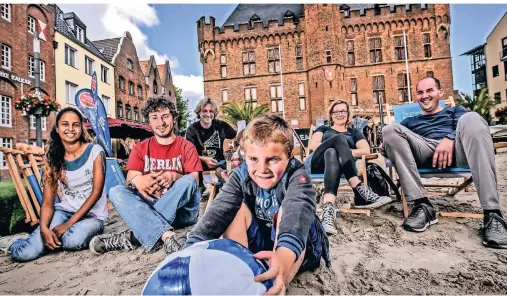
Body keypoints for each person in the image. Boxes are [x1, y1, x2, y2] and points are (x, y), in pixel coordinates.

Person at [184, 115, 331, 295]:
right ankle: (242, 267)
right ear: (245, 156)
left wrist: (282, 261)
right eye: (253, 159)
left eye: (273, 160)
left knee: (286, 214)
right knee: (233, 209)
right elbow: (217, 213)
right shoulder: (240, 175)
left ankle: (276, 282)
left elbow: (296, 216)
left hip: (300, 247)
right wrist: (187, 253)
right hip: (262, 241)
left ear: (290, 156)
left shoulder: (297, 175)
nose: (262, 169)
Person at [381, 77, 507, 247]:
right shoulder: (410, 122)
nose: (425, 96)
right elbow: (396, 139)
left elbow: (471, 129)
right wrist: (387, 145)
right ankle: (422, 205)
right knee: (389, 129)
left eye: (429, 90)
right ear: (416, 97)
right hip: (425, 151)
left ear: (440, 93)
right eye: (420, 92)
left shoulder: (456, 111)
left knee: (472, 118)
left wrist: (450, 138)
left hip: (459, 151)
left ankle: (493, 213)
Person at [89, 97, 203, 255]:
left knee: (188, 180)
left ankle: (133, 237)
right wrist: (139, 180)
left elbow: (194, 180)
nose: (160, 123)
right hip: (151, 204)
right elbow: (131, 179)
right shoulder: (140, 148)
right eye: (154, 118)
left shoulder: (186, 146)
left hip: (182, 213)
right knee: (116, 191)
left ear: (174, 118)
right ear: (149, 121)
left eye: (165, 116)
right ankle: (166, 235)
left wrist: (173, 176)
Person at [0, 107, 107, 262]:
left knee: (73, 241)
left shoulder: (95, 152)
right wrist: (44, 229)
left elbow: (96, 193)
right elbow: (48, 203)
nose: (70, 129)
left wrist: (68, 225)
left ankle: (36, 238)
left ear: (81, 128)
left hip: (92, 217)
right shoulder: (54, 158)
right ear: (57, 128)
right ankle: (15, 242)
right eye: (65, 124)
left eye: (75, 125)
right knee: (25, 254)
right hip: (64, 212)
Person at [306, 100, 391, 235]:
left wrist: (343, 151)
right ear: (331, 115)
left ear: (348, 114)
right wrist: (338, 145)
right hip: (317, 163)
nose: (340, 114)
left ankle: (328, 211)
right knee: (338, 140)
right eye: (336, 111)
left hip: (339, 166)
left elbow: (366, 150)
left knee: (332, 153)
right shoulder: (323, 129)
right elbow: (313, 147)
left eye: (343, 111)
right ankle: (358, 188)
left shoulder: (354, 132)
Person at [185, 98, 236, 184]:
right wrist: (204, 159)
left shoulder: (222, 125)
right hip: (201, 172)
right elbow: (189, 154)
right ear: (199, 112)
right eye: (205, 111)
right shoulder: (192, 130)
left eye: (211, 111)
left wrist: (231, 151)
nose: (208, 114)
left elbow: (237, 137)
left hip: (221, 170)